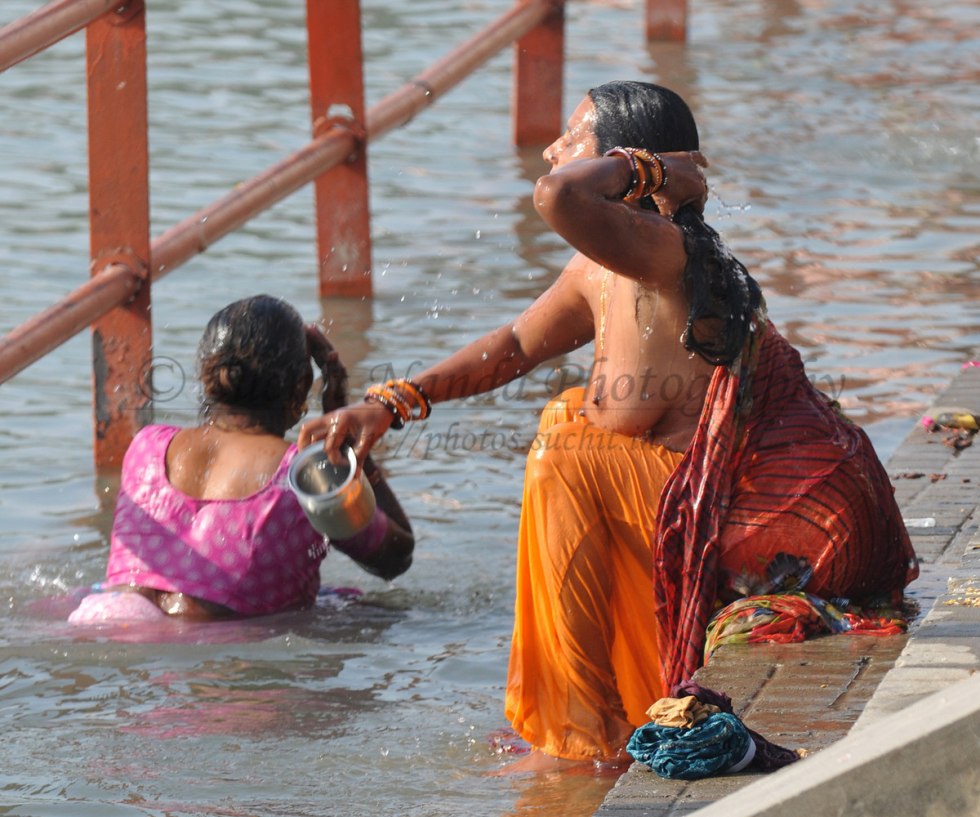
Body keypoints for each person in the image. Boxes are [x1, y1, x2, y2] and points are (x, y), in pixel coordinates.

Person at [298, 81, 917, 767]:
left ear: (621, 161)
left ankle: (578, 738)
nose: (551, 148)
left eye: (573, 137)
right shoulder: (602, 266)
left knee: (565, 449)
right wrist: (391, 402)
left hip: (741, 519)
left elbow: (558, 196)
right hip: (688, 502)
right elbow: (514, 345)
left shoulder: (665, 255)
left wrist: (652, 171)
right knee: (568, 421)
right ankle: (609, 704)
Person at [69, 294, 414, 624]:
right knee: (385, 612)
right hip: (229, 651)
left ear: (206, 376)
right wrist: (349, 445)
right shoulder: (302, 477)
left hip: (110, 618)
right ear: (302, 387)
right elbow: (395, 557)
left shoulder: (146, 447)